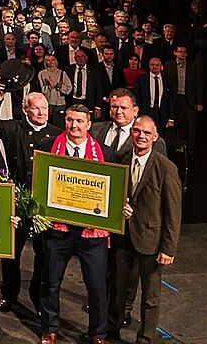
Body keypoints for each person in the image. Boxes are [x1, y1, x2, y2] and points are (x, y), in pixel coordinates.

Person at [37, 105, 119, 344]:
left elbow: (112, 192)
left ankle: (98, 333)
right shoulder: (47, 147)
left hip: (92, 234)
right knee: (51, 282)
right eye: (70, 120)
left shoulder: (106, 153)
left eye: (79, 121)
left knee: (96, 286)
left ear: (89, 124)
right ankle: (50, 328)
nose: (74, 126)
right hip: (58, 231)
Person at [109, 116, 181, 344]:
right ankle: (112, 331)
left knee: (150, 296)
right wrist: (118, 209)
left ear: (155, 137)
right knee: (117, 289)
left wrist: (168, 248)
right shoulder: (120, 159)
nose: (141, 136)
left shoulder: (166, 167)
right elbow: (111, 196)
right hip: (122, 237)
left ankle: (146, 338)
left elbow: (173, 213)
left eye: (146, 133)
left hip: (151, 239)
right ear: (132, 133)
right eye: (137, 131)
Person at [0, 92, 60, 313]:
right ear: (25, 109)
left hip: (44, 205)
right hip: (17, 202)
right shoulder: (13, 129)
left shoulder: (57, 135)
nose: (41, 112)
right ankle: (9, 294)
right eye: (36, 108)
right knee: (12, 253)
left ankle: (38, 296)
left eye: (44, 108)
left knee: (44, 254)